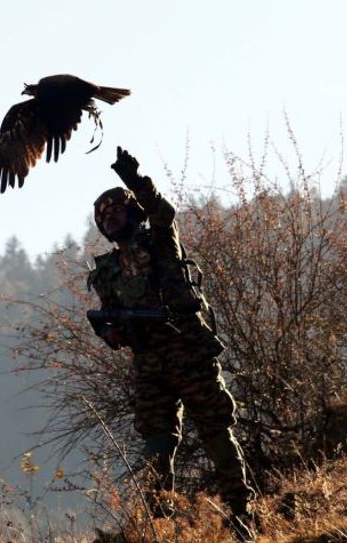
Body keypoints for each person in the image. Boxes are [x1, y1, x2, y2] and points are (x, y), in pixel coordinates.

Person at [87, 146, 254, 532]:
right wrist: (112, 333)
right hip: (149, 363)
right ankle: (159, 525)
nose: (109, 217)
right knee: (156, 444)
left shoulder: (160, 240)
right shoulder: (106, 271)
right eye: (102, 215)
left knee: (215, 430)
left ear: (133, 213)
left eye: (116, 210)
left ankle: (241, 514)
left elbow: (164, 213)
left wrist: (135, 181)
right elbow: (114, 323)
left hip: (188, 351)